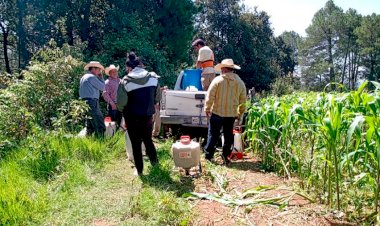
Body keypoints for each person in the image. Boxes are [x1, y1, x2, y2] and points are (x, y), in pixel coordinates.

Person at [117, 52, 161, 176]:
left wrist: (122, 111)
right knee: (148, 140)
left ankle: (140, 171)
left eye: (126, 69)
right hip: (147, 116)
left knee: (135, 144)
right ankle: (155, 165)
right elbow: (157, 97)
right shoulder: (153, 78)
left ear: (130, 68)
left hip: (131, 117)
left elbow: (121, 102)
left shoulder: (125, 81)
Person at [204, 59, 247, 164]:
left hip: (217, 113)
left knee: (213, 135)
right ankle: (226, 156)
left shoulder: (217, 81)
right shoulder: (240, 83)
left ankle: (209, 156)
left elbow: (210, 96)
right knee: (228, 136)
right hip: (231, 115)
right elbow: (243, 102)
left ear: (224, 69)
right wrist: (239, 114)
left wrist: (207, 109)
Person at [79, 61, 106, 138]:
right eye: (98, 69)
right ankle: (100, 142)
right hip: (92, 101)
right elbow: (103, 88)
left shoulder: (84, 77)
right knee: (99, 122)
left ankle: (89, 141)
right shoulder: (92, 77)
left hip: (84, 102)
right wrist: (101, 78)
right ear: (93, 68)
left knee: (90, 124)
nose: (99, 72)